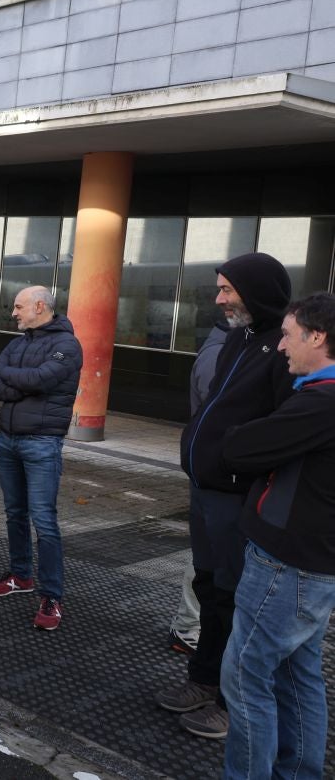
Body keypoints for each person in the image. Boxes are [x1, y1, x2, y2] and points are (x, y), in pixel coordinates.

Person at [157, 252, 292, 740]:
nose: (218, 299)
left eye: (227, 290)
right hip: (206, 491)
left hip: (239, 498)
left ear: (254, 292)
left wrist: (236, 463)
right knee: (210, 590)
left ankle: (233, 704)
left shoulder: (284, 347)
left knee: (236, 600)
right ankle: (203, 680)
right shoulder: (239, 338)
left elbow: (281, 430)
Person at [218, 292, 335, 779]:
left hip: (286, 567)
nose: (281, 346)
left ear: (317, 336)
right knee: (297, 675)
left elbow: (241, 447)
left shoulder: (321, 402)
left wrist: (238, 429)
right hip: (311, 566)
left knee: (244, 677)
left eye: (288, 336)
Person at [0, 286, 82, 632]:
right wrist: (24, 384)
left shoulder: (67, 346)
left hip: (42, 443)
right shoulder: (19, 342)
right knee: (15, 513)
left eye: (18, 306)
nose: (14, 313)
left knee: (44, 519)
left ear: (40, 307)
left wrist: (20, 381)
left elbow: (41, 379)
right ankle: (21, 576)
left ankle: (52, 596)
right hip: (6, 440)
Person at [170, 318, 228, 656]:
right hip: (214, 475)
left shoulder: (234, 349)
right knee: (206, 556)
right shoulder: (219, 353)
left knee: (212, 555)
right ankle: (188, 627)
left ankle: (192, 627)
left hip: (219, 474)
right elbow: (218, 417)